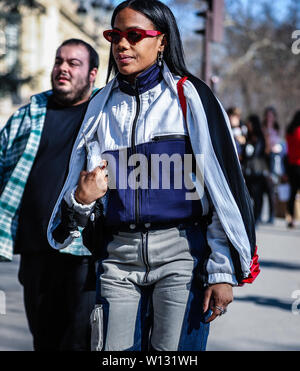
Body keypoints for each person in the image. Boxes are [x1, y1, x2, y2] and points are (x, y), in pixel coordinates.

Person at [48, 0, 259, 351]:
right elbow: (79, 195)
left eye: (135, 35)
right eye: (115, 35)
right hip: (117, 259)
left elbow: (222, 191)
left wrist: (221, 272)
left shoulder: (190, 97)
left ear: (161, 40)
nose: (122, 45)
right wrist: (82, 200)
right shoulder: (100, 106)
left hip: (182, 257)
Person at [0, 39, 99, 351]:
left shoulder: (104, 115)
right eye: (59, 61)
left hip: (82, 252)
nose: (63, 69)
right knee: (43, 342)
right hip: (35, 252)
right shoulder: (29, 114)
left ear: (93, 74)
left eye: (73, 63)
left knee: (78, 343)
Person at [242, 114, 269, 225]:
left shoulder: (259, 137)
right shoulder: (247, 136)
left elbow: (255, 153)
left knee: (257, 195)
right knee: (249, 195)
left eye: (249, 123)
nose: (247, 125)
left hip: (257, 170)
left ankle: (257, 217)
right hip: (248, 171)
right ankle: (250, 217)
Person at [262, 106, 284, 224]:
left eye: (272, 115)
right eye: (268, 115)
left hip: (274, 160)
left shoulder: (277, 128)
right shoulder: (263, 129)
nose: (269, 118)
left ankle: (272, 215)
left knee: (271, 189)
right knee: (263, 189)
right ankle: (260, 214)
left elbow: (280, 144)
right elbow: (266, 147)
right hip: (265, 159)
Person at [285, 110, 300, 228]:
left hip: (291, 166)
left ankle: (290, 218)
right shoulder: (299, 131)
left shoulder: (290, 131)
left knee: (292, 193)